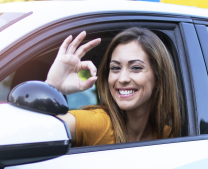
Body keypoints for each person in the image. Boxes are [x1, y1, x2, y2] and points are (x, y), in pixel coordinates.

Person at [45, 27, 183, 146]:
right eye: (115, 68)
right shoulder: (98, 123)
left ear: (158, 77)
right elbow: (38, 129)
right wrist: (51, 86)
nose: (122, 79)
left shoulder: (166, 135)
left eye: (135, 67)